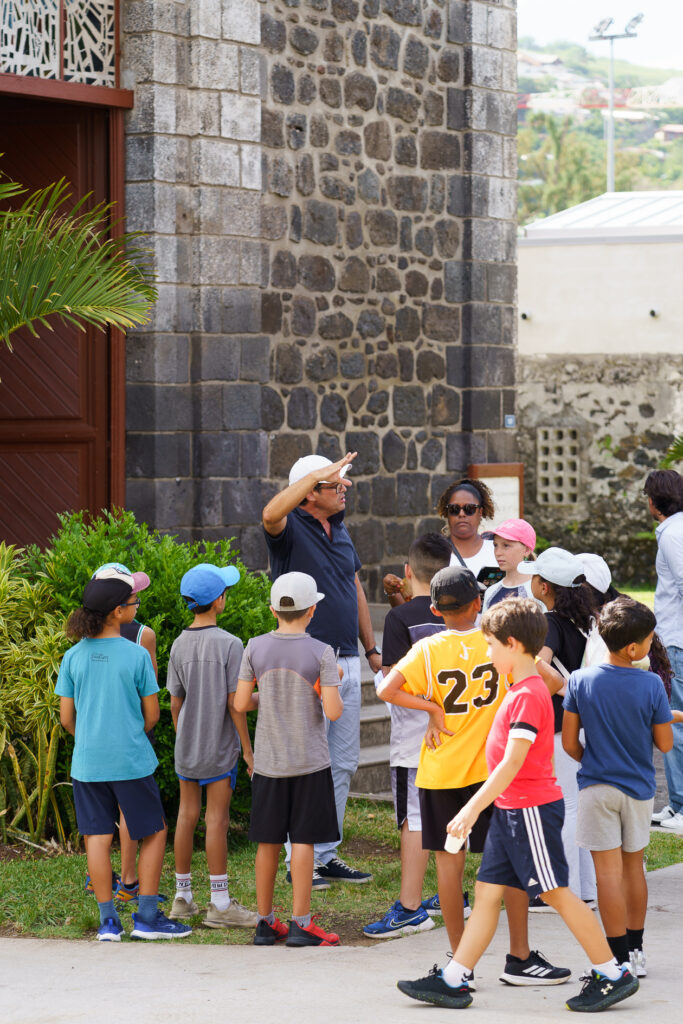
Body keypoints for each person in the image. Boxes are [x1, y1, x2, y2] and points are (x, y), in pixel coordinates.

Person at [396, 597, 639, 1013]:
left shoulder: (527, 694)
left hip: (529, 810)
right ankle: (454, 978)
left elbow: (513, 761)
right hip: (512, 811)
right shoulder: (518, 688)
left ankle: (612, 973)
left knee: (556, 892)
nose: (488, 653)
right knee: (487, 893)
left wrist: (471, 809)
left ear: (512, 644)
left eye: (491, 645)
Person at [379, 566, 569, 986]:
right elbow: (555, 681)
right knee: (513, 866)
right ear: (479, 603)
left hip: (440, 771)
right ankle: (519, 957)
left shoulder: (427, 648)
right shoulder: (499, 642)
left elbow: (386, 689)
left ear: (434, 610)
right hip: (494, 772)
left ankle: (459, 962)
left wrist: (432, 708)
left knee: (449, 867)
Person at [56, 569, 190, 941]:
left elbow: (67, 718)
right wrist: (127, 735)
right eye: (134, 602)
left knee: (96, 837)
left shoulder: (72, 657)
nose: (136, 607)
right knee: (155, 831)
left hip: (88, 763)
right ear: (118, 612)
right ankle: (146, 918)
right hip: (131, 760)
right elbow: (153, 715)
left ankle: (108, 924)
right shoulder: (136, 655)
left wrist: (91, 739)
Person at [261, 451, 376, 885]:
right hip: (305, 660)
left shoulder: (340, 527)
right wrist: (315, 476)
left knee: (342, 762)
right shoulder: (289, 528)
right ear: (310, 492)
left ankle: (325, 853)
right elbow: (269, 514)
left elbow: (353, 586)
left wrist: (371, 648)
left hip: (347, 659)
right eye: (335, 483)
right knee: (305, 762)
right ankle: (299, 861)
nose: (344, 488)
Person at [563, 596, 676, 980]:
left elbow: (570, 743)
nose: (651, 643)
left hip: (596, 787)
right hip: (638, 791)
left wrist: (592, 761)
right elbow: (665, 744)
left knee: (606, 877)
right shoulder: (651, 684)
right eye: (649, 639)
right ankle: (637, 951)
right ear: (632, 648)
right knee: (633, 871)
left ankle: (616, 960)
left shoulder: (579, 680)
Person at [234, 572, 343, 947]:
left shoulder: (254, 647)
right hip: (309, 763)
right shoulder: (322, 652)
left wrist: (271, 693)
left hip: (268, 764)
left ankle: (265, 923)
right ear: (312, 610)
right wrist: (331, 681)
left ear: (272, 610)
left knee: (267, 842)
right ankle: (302, 924)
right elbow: (333, 711)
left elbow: (240, 703)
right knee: (303, 841)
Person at [364, 533, 452, 939]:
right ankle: (449, 895)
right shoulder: (463, 616)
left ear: (407, 571)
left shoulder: (400, 619)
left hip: (415, 738)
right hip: (458, 738)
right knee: (449, 817)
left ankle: (411, 908)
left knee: (413, 820)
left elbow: (391, 680)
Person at [166, 563, 258, 930]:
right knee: (216, 819)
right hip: (219, 749)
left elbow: (175, 703)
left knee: (186, 816)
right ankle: (219, 903)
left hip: (186, 748)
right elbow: (236, 704)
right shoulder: (231, 644)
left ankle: (182, 897)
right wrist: (247, 751)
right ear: (218, 601)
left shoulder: (178, 644)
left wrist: (183, 737)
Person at [516, 547, 597, 908]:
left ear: (545, 586)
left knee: (565, 806)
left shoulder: (549, 622)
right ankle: (586, 888)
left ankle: (564, 891)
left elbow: (540, 666)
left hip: (560, 723)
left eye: (534, 576)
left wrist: (564, 689)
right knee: (580, 804)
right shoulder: (586, 621)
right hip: (585, 722)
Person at [84, 561, 159, 905]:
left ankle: (100, 893)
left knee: (96, 825)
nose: (137, 602)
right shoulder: (143, 638)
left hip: (93, 745)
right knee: (136, 816)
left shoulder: (80, 644)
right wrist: (135, 732)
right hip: (132, 741)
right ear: (117, 605)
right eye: (132, 596)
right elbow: (150, 702)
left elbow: (71, 712)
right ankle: (130, 883)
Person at [384, 478, 496, 607]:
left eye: (469, 508)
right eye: (454, 509)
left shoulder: (497, 551)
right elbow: (409, 610)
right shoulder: (433, 553)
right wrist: (393, 591)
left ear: (480, 512)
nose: (461, 514)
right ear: (447, 513)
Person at [643, 469, 683, 830]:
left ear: (654, 502)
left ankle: (681, 807)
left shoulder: (672, 533)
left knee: (675, 723)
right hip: (675, 639)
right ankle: (677, 805)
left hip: (677, 641)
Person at [482, 518, 538, 611]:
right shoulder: (490, 592)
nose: (498, 552)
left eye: (506, 545)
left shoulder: (540, 591)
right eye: (495, 545)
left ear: (526, 550)